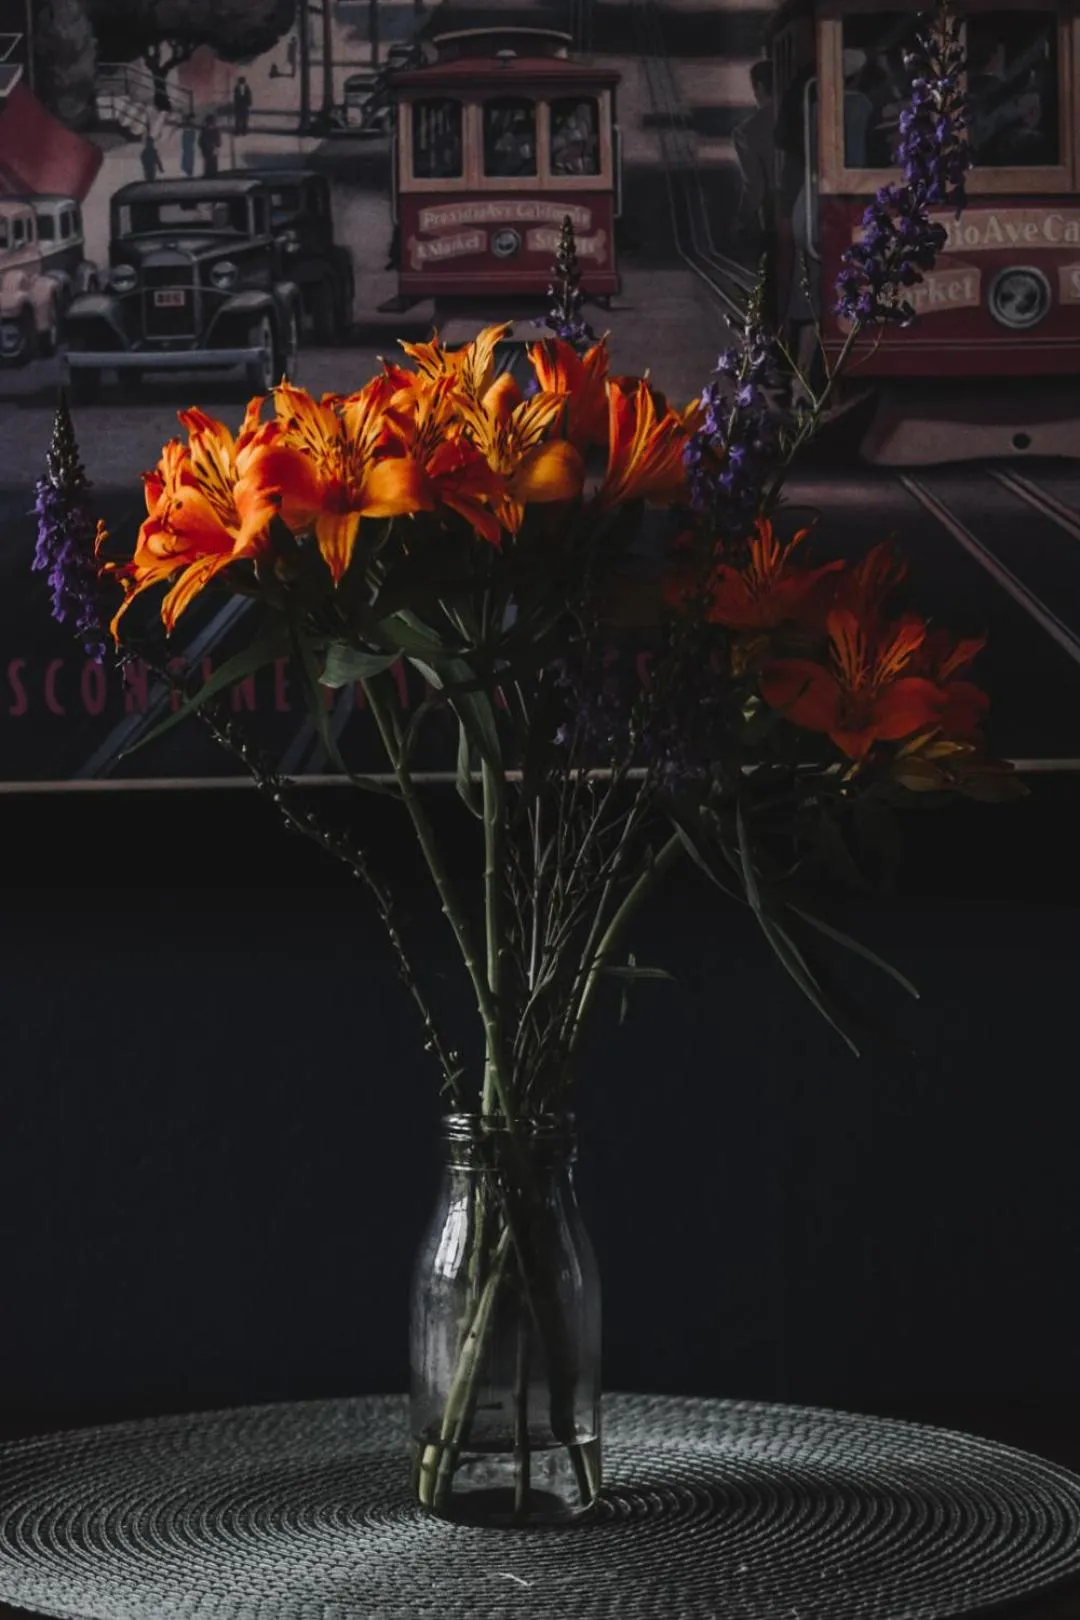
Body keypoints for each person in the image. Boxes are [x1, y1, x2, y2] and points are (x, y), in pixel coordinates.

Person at [732, 60, 776, 250]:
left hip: (776, 212)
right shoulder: (805, 116)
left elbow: (755, 186)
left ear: (759, 87)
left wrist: (741, 220)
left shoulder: (746, 131)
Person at [179, 112, 197, 178]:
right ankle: (187, 170)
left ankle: (189, 171)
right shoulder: (188, 127)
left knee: (190, 157)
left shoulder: (192, 127)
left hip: (190, 146)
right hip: (187, 146)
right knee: (188, 156)